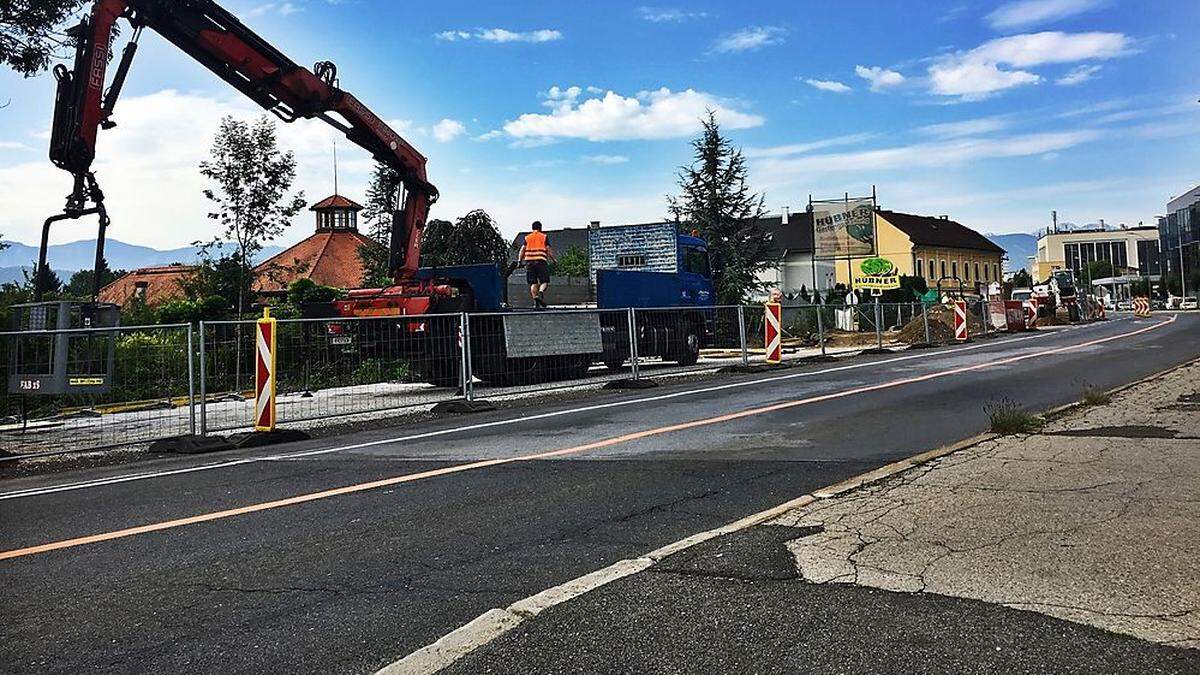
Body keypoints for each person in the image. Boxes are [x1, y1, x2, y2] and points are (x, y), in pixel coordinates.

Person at [518, 221, 555, 308]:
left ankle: (536, 301)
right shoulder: (544, 237)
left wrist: (519, 261)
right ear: (540, 228)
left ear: (532, 228)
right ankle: (541, 293)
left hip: (529, 262)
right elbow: (548, 249)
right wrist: (554, 260)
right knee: (544, 281)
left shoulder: (527, 238)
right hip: (541, 261)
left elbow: (522, 250)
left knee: (533, 283)